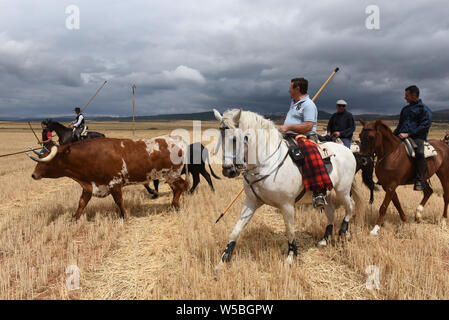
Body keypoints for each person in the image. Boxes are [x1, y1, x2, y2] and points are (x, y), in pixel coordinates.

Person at [279, 77, 332, 209]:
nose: (288, 90)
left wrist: (288, 127)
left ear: (297, 89)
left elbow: (308, 126)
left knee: (310, 153)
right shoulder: (295, 103)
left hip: (306, 137)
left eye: (290, 87)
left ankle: (318, 192)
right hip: (289, 136)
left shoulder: (309, 105)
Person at [393, 85, 432, 191]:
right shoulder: (405, 109)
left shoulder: (424, 109)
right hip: (402, 135)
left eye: (407, 95)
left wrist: (408, 134)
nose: (405, 97)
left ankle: (419, 179)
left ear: (414, 95)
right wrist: (393, 135)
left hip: (417, 137)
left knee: (419, 152)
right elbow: (400, 125)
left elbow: (424, 125)